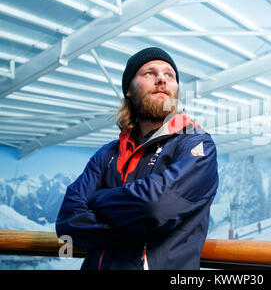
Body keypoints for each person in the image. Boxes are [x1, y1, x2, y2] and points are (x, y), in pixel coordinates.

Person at [56, 47, 219, 270]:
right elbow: (67, 223)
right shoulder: (107, 154)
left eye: (169, 75)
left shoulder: (196, 144)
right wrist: (139, 225)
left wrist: (97, 199)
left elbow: (156, 206)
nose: (162, 79)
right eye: (149, 73)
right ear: (129, 90)